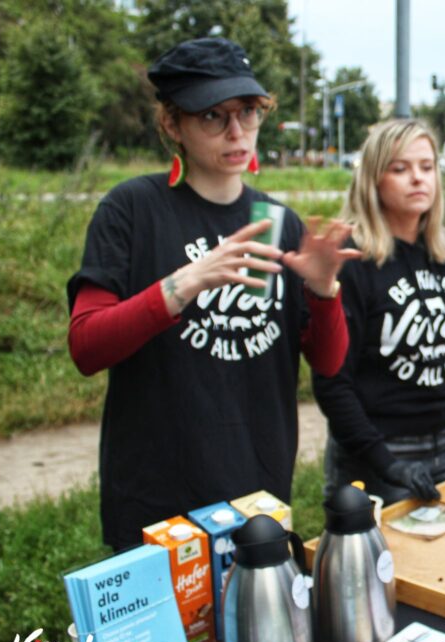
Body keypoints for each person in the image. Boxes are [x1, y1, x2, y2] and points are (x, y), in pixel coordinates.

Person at [67, 37, 360, 550]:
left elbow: (329, 363)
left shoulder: (275, 222)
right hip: (157, 497)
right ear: (172, 124)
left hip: (257, 490)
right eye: (212, 116)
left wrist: (323, 290)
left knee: (252, 627)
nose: (236, 132)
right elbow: (87, 347)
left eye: (248, 112)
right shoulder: (132, 210)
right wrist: (184, 283)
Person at [312, 119, 445, 505]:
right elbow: (332, 382)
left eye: (427, 167)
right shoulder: (352, 260)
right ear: (374, 178)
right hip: (379, 452)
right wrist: (385, 463)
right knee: (381, 565)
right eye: (400, 168)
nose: (417, 179)